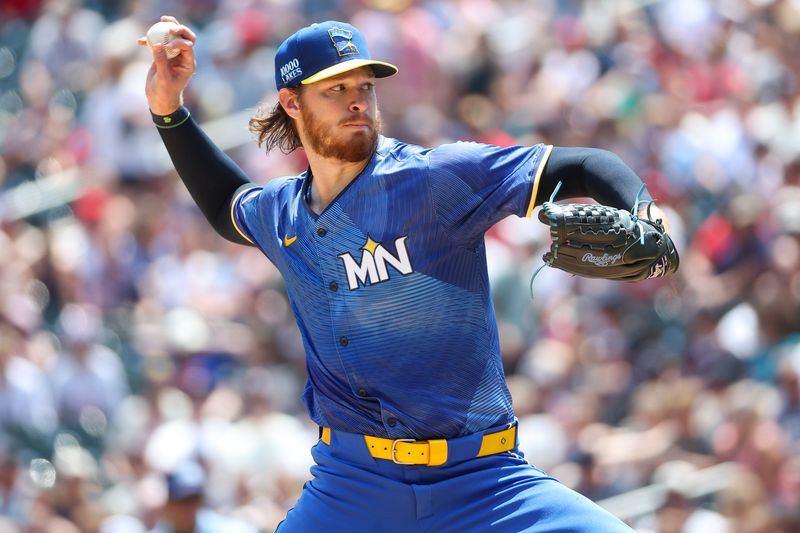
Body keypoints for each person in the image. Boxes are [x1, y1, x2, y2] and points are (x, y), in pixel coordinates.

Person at [140, 15, 675, 532]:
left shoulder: (432, 180)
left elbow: (578, 164)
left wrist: (646, 210)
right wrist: (168, 110)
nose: (357, 100)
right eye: (334, 88)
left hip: (483, 481)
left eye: (365, 86)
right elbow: (226, 204)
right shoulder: (283, 214)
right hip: (352, 486)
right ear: (291, 102)